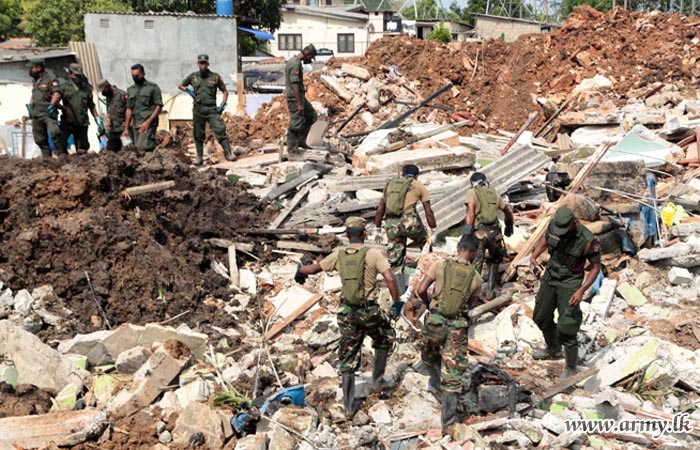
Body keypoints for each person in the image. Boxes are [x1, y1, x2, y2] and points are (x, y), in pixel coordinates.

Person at [295, 216, 400, 417]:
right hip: (369, 312)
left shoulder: (339, 254)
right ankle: (377, 380)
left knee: (348, 355)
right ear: (365, 234)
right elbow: (390, 279)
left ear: (346, 235)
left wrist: (300, 270)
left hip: (347, 313)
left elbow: (314, 269)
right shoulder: (374, 254)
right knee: (384, 337)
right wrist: (396, 303)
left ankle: (349, 406)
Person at [414, 234, 481, 432]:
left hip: (435, 320)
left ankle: (434, 382)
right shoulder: (476, 278)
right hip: (457, 326)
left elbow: (421, 288)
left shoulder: (440, 265)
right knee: (453, 373)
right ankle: (449, 422)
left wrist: (430, 306)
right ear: (474, 254)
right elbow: (469, 306)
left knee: (429, 353)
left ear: (458, 247)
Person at [529, 206, 601, 378]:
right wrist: (534, 256)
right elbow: (546, 241)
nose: (561, 233)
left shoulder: (588, 240)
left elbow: (595, 268)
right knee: (540, 317)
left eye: (565, 229)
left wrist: (582, 290)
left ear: (574, 223)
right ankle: (553, 348)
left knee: (567, 325)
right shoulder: (555, 226)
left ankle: (570, 366)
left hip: (570, 282)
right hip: (550, 277)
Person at [375, 164, 437, 280]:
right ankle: (428, 274)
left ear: (402, 174)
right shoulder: (419, 186)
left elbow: (380, 210)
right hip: (410, 224)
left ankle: (398, 291)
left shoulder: (390, 185)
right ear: (417, 176)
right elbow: (428, 211)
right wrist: (433, 230)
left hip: (392, 225)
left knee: (395, 260)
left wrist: (377, 228)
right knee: (425, 243)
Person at [463, 172, 514, 298]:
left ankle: (474, 295)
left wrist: (466, 234)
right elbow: (507, 210)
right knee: (494, 261)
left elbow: (470, 214)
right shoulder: (493, 193)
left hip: (479, 234)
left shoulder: (472, 192)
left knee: (477, 264)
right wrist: (509, 225)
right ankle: (490, 291)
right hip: (495, 233)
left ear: (472, 182)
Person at [178, 54, 233, 164]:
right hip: (198, 110)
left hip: (211, 109)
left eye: (205, 63)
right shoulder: (193, 77)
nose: (203, 65)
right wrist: (189, 92)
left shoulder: (215, 77)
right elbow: (181, 85)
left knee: (220, 130)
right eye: (201, 63)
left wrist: (223, 104)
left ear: (208, 64)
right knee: (198, 134)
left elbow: (225, 91)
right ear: (198, 64)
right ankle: (199, 158)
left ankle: (228, 154)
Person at [49, 63, 102, 154]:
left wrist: (97, 118)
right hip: (67, 121)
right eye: (76, 75)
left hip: (82, 122)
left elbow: (91, 105)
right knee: (61, 142)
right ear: (70, 74)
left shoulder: (86, 88)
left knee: (82, 147)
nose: (78, 78)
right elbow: (55, 101)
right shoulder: (64, 87)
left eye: (79, 75)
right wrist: (65, 109)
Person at [284, 44, 318, 157]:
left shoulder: (294, 61)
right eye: (311, 57)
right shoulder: (295, 64)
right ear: (307, 54)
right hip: (294, 98)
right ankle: (292, 151)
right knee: (295, 123)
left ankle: (301, 141)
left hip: (299, 97)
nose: (310, 60)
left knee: (311, 115)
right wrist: (299, 103)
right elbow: (294, 84)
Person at [26, 58, 64, 158]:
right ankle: (47, 160)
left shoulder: (51, 79)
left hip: (47, 113)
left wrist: (51, 105)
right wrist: (30, 104)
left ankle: (62, 157)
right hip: (36, 113)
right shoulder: (36, 81)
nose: (30, 70)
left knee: (55, 134)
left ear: (38, 68)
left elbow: (57, 93)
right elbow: (34, 94)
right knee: (40, 139)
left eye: (32, 68)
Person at [123, 64, 163, 152]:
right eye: (133, 76)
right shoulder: (131, 89)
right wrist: (126, 128)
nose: (135, 77)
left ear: (143, 74)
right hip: (136, 124)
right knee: (136, 148)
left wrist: (148, 122)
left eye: (137, 75)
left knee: (142, 147)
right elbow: (129, 109)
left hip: (148, 123)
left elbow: (159, 106)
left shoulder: (153, 87)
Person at [97, 79, 127, 151]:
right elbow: (110, 110)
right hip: (113, 129)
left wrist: (128, 122)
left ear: (107, 87)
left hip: (124, 129)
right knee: (111, 152)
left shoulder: (122, 95)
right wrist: (108, 117)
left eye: (103, 91)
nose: (103, 93)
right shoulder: (108, 96)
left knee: (128, 151)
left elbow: (131, 109)